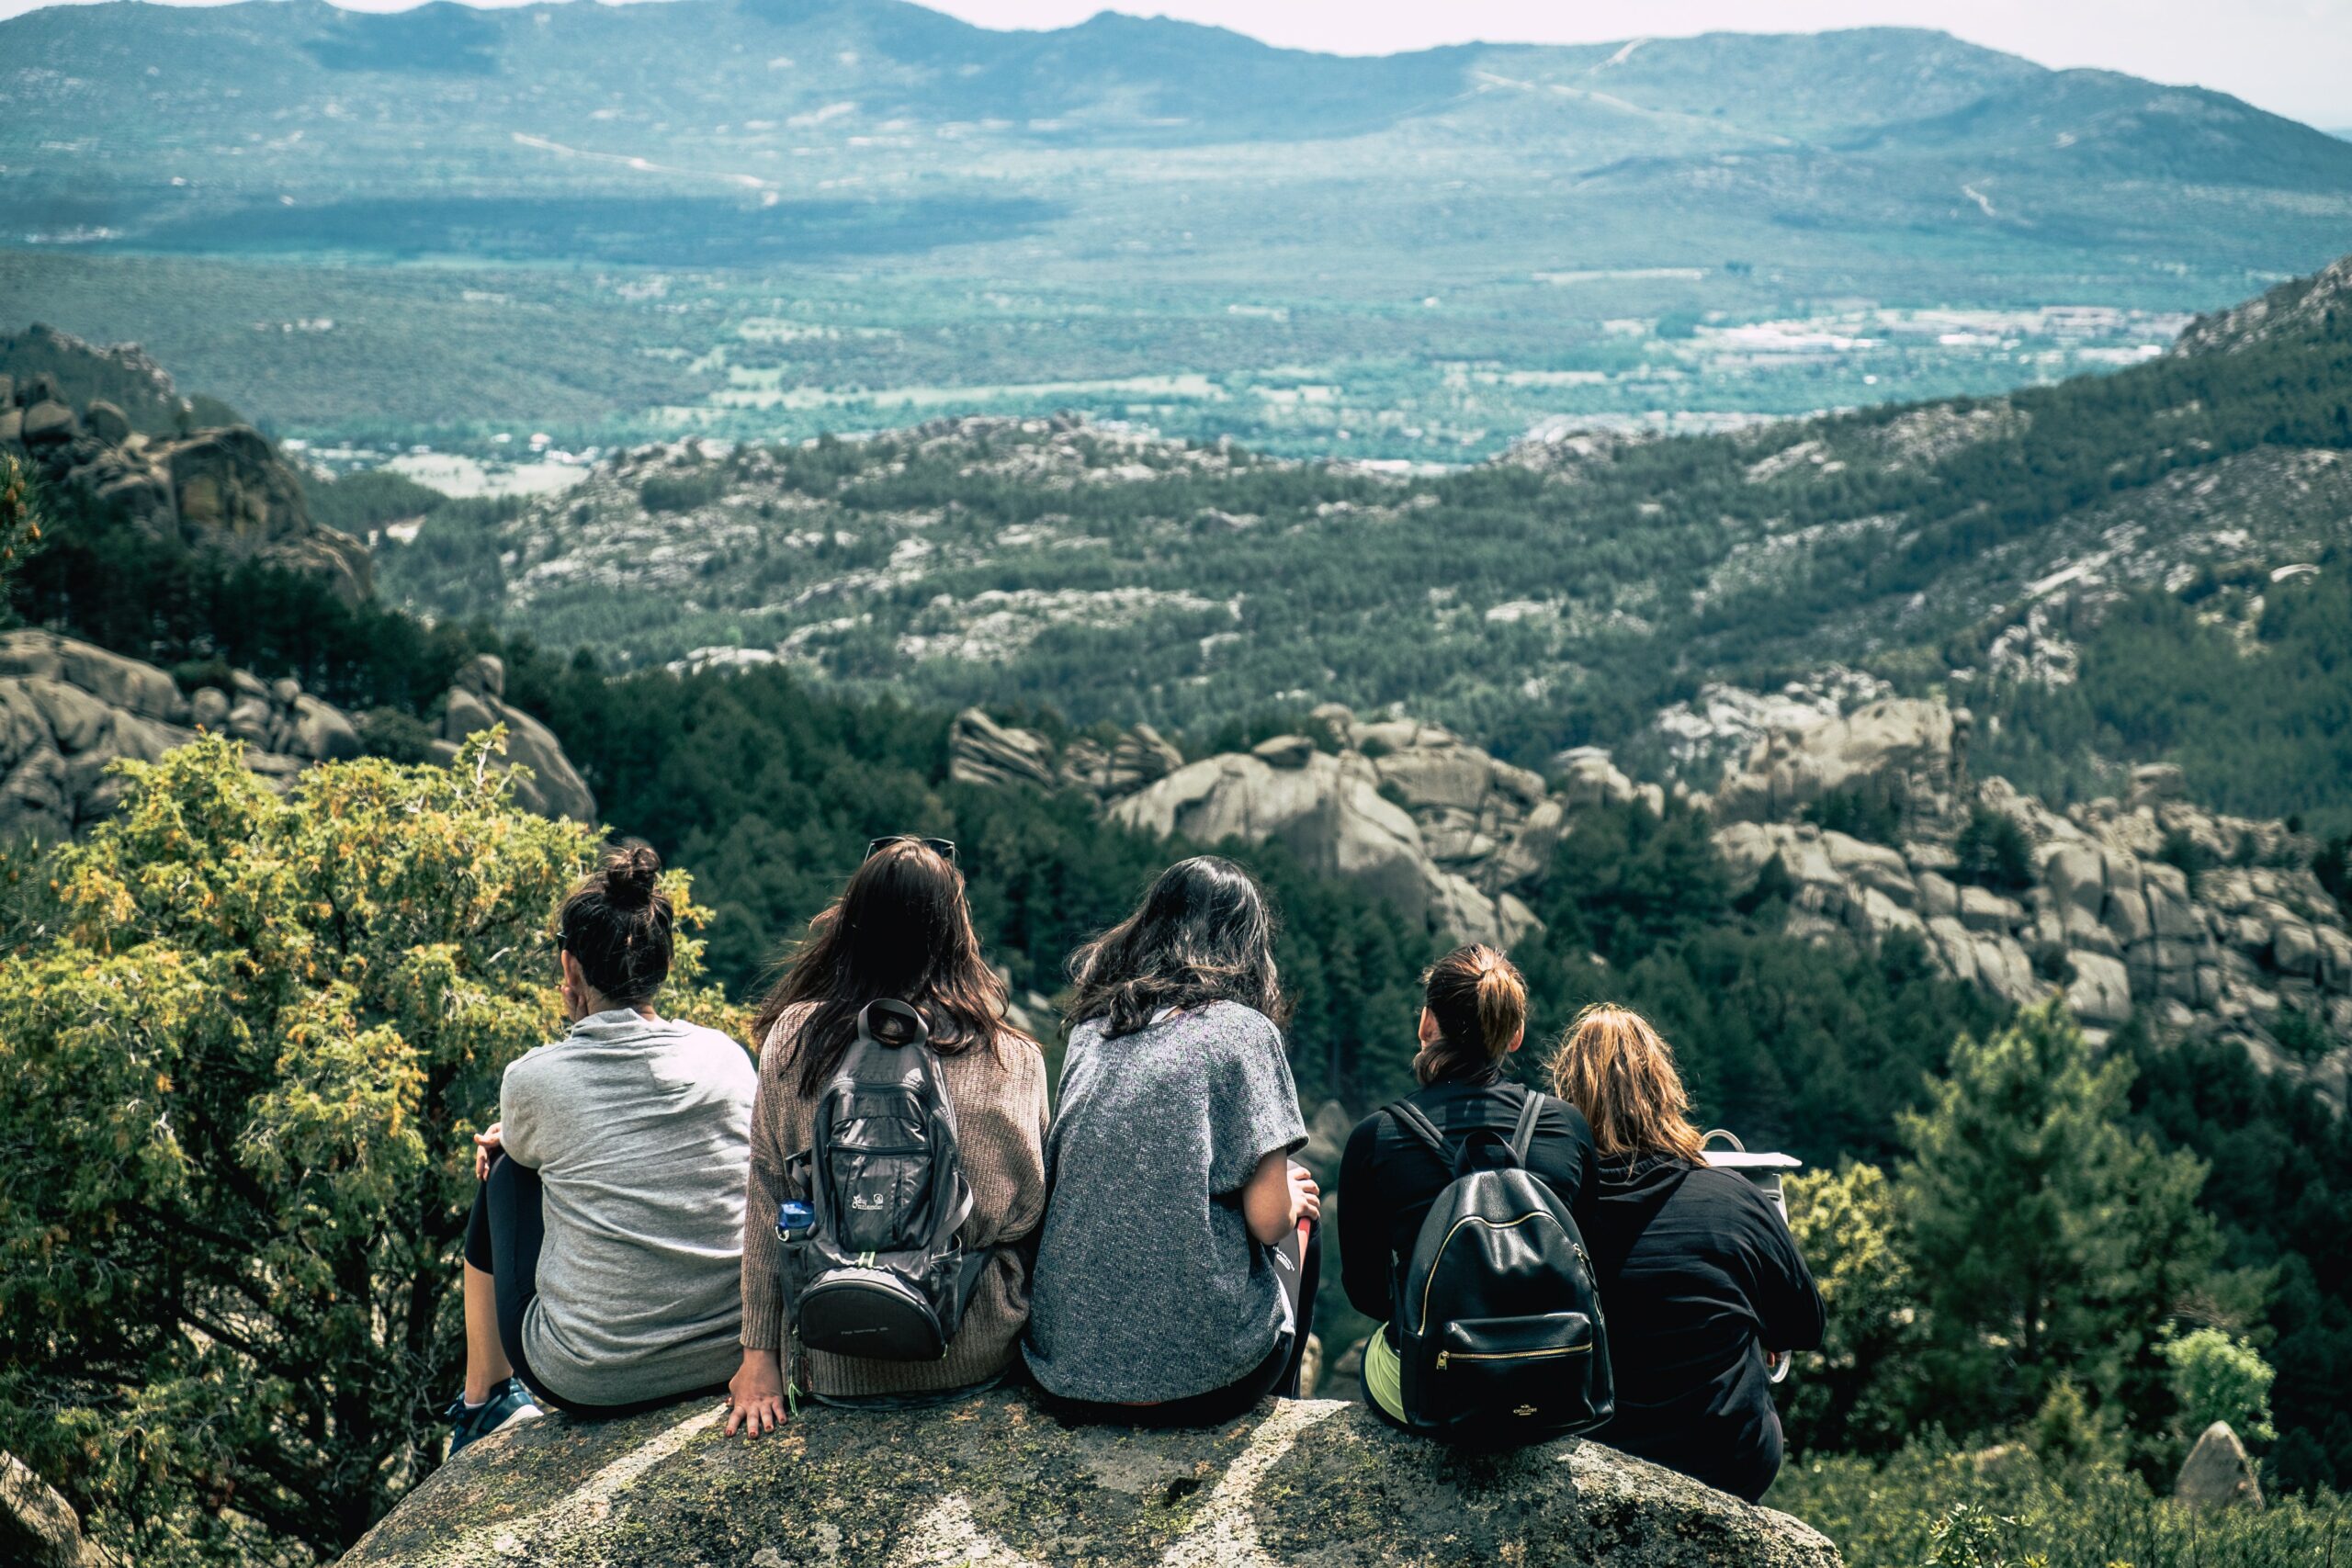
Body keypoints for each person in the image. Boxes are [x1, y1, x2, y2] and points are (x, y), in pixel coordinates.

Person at [725, 836, 1048, 1436]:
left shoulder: (795, 1038)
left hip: (835, 1353)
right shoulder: (1015, 1055)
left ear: (851, 925)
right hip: (970, 1354)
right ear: (958, 930)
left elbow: (769, 1201)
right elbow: (1028, 1210)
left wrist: (757, 1358)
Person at [447, 843, 758, 1455]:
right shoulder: (726, 1056)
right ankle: (483, 1398)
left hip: (590, 1375)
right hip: (729, 1350)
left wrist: (515, 1140)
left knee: (507, 1170)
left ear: (570, 970)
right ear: (662, 964)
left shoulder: (534, 1078)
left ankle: (483, 1400)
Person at [1023, 855, 1322, 1425]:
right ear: (1247, 948)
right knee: (1302, 1211)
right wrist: (1290, 1197)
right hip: (1208, 1383)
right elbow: (1265, 1220)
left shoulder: (1095, 1030)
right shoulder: (1246, 1031)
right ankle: (1285, 1408)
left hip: (1068, 1373)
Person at [1547, 1003, 1825, 1502]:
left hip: (1591, 1460)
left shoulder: (1551, 1211)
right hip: (1726, 1462)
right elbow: (1805, 1326)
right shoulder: (1733, 1195)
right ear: (1664, 1090)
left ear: (1567, 1100)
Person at [1337, 944, 1598, 1426]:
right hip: (1552, 1382)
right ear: (1515, 1035)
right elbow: (1594, 1263)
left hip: (1432, 1392)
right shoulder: (1567, 1127)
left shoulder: (1376, 1138)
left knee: (1378, 1354)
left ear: (1425, 1025)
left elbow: (1367, 1295)